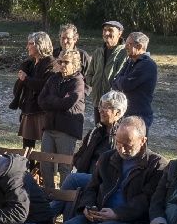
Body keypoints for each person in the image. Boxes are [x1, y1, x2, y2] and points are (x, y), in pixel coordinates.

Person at [59, 117, 165, 224]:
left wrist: (117, 213)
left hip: (129, 220)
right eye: (118, 143)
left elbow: (146, 201)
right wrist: (88, 206)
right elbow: (92, 187)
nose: (122, 149)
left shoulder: (156, 165)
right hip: (98, 214)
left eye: (128, 145)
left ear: (143, 141)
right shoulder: (108, 157)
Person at [36, 48, 87, 188]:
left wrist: (51, 100)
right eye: (60, 61)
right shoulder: (53, 78)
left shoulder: (78, 82)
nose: (62, 65)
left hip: (66, 130)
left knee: (64, 165)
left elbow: (67, 103)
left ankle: (64, 197)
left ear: (75, 64)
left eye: (66, 62)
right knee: (45, 164)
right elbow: (41, 100)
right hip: (49, 127)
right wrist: (56, 101)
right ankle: (49, 195)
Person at [62, 90, 126, 193]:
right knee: (70, 204)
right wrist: (81, 164)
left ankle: (50, 208)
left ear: (117, 112)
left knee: (72, 179)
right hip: (86, 177)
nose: (100, 110)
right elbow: (79, 155)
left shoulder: (123, 136)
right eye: (101, 106)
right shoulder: (95, 133)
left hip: (104, 181)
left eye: (106, 107)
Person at [11, 32, 55, 152]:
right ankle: (27, 168)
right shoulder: (29, 64)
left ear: (40, 45)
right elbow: (19, 86)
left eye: (31, 44)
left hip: (42, 110)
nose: (27, 47)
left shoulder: (51, 63)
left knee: (46, 146)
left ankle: (43, 170)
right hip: (29, 108)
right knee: (27, 147)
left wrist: (26, 79)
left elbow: (45, 85)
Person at [110, 30, 157, 129]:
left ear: (139, 46)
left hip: (140, 116)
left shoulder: (147, 65)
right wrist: (121, 81)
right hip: (126, 113)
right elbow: (114, 81)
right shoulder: (130, 61)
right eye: (125, 43)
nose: (125, 46)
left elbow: (126, 85)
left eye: (129, 44)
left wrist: (120, 81)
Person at [85, 21, 127, 103]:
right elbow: (89, 74)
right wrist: (94, 82)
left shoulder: (125, 53)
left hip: (114, 103)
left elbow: (125, 79)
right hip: (98, 101)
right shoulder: (98, 52)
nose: (106, 33)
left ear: (119, 33)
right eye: (104, 30)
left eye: (110, 30)